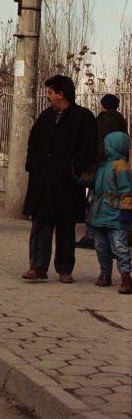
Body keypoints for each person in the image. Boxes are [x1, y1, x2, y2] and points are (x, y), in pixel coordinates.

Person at [22, 74, 97, 283]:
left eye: (50, 92)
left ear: (60, 94)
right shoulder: (45, 117)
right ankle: (38, 267)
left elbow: (89, 149)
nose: (48, 97)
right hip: (43, 182)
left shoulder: (83, 118)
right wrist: (33, 164)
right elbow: (33, 142)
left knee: (66, 227)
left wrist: (72, 168)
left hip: (67, 184)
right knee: (41, 226)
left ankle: (65, 269)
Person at [76, 93, 128, 249]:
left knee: (94, 201)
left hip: (101, 166)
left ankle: (92, 236)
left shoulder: (102, 120)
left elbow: (97, 143)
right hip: (118, 163)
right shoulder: (121, 120)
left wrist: (92, 165)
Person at [85, 130, 132, 293]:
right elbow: (93, 184)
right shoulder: (103, 166)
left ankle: (126, 276)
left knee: (120, 247)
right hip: (99, 214)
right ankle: (105, 274)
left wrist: (126, 211)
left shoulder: (121, 166)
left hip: (115, 215)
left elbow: (127, 190)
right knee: (101, 247)